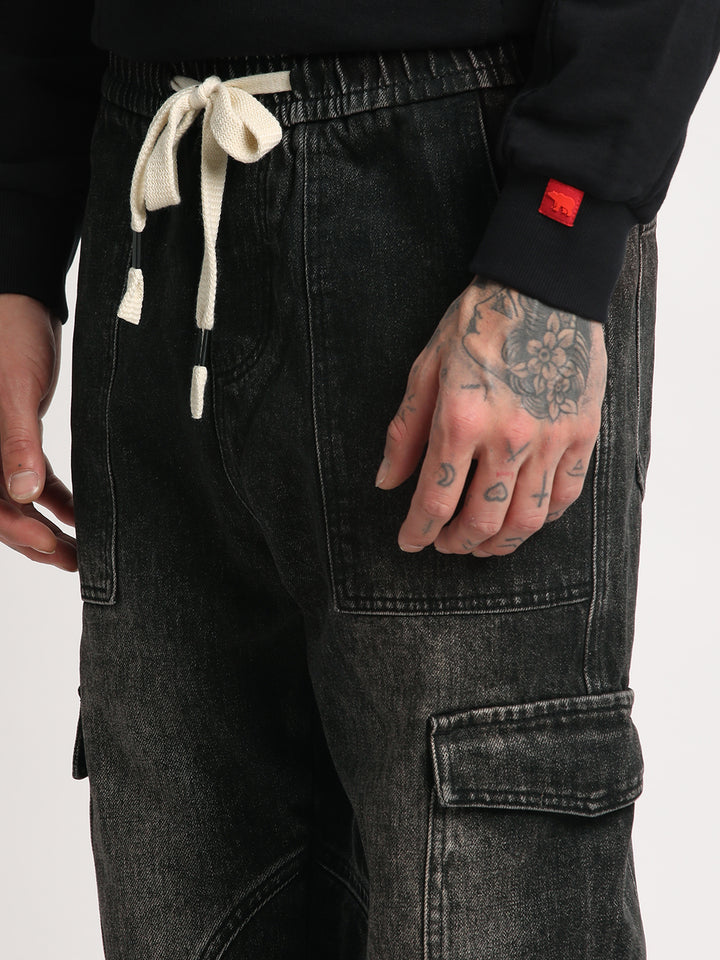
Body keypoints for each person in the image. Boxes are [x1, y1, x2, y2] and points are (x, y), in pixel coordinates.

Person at [1, 2, 719, 958]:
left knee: (490, 904)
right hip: (150, 190)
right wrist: (16, 254)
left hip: (451, 194)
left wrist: (560, 232)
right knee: (186, 908)